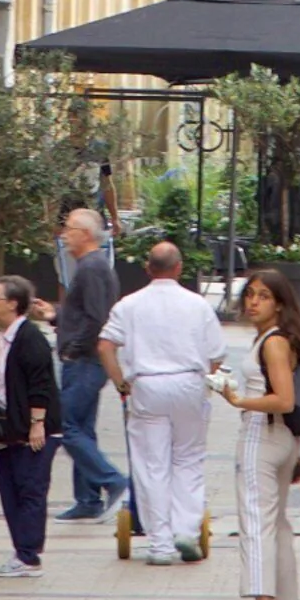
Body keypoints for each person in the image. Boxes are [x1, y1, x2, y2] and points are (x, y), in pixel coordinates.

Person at [102, 241, 226, 563]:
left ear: (148, 269)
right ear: (179, 267)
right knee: (188, 459)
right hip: (188, 382)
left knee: (151, 465)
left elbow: (105, 345)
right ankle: (185, 530)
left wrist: (120, 382)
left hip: (147, 387)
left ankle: (159, 544)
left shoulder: (128, 305)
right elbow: (215, 356)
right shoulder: (197, 305)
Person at [224, 267, 300, 600]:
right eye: (250, 294)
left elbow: (283, 398)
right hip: (284, 441)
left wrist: (238, 399)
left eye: (263, 296)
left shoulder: (273, 342)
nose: (253, 302)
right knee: (277, 522)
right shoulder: (279, 339)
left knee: (255, 520)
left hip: (261, 434)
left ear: (279, 304)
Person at [50, 209, 129, 520]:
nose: (63, 234)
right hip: (85, 360)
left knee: (65, 426)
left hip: (84, 362)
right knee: (81, 427)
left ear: (84, 234)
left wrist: (73, 347)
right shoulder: (90, 267)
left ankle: (114, 481)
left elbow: (98, 318)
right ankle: (88, 500)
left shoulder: (92, 268)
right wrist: (57, 315)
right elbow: (85, 313)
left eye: (69, 229)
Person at [0, 273, 60, 578]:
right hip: (9, 428)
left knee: (29, 488)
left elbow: (40, 384)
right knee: (9, 488)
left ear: (13, 303)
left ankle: (28, 556)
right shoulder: (4, 338)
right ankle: (22, 550)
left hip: (32, 429)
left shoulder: (30, 339)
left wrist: (37, 424)